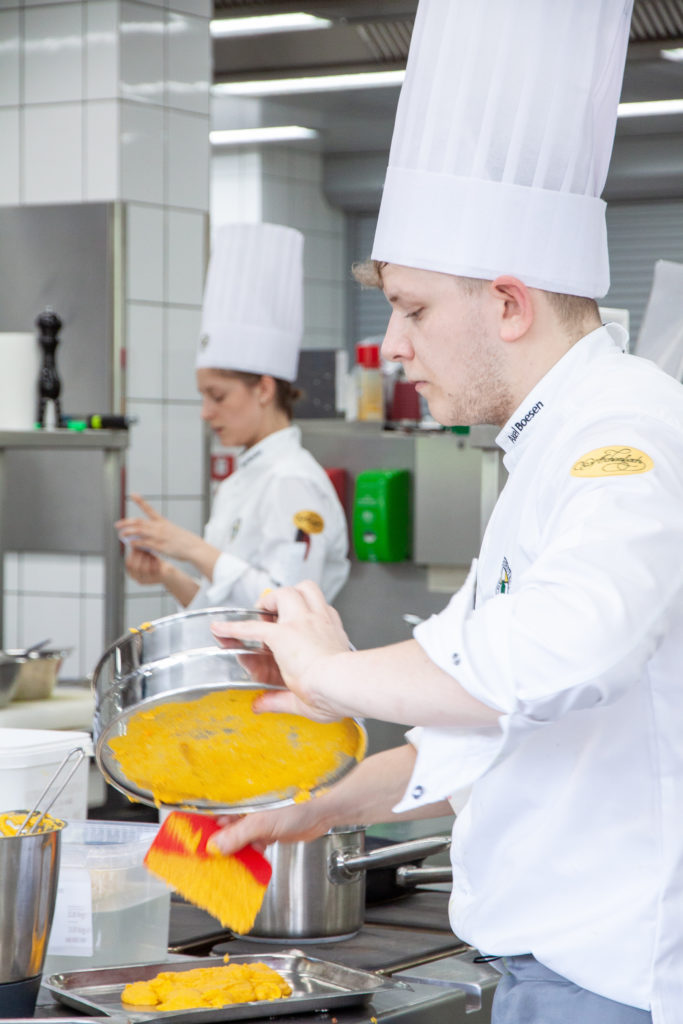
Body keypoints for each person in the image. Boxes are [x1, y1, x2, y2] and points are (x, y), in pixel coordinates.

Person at [204, 2, 683, 1022]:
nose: (391, 347)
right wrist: (323, 808)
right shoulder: (544, 448)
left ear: (508, 303)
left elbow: (564, 649)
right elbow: (489, 720)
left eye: (412, 308)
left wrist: (328, 673)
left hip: (613, 977)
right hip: (548, 968)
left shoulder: (626, 431)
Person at [116, 223, 350, 610]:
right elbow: (228, 614)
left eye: (218, 396)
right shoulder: (240, 482)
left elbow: (286, 605)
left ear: (264, 389)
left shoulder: (291, 481)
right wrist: (169, 574)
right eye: (203, 396)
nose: (206, 412)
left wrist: (191, 547)